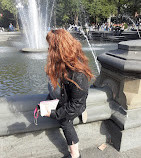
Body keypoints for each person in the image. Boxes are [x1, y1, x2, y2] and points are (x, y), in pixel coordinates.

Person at [44, 29, 94, 158]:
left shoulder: (77, 74)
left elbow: (76, 104)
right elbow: (58, 90)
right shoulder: (60, 63)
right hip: (64, 99)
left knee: (65, 122)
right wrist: (46, 103)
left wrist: (56, 114)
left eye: (51, 46)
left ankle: (75, 154)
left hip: (74, 104)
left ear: (58, 49)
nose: (48, 49)